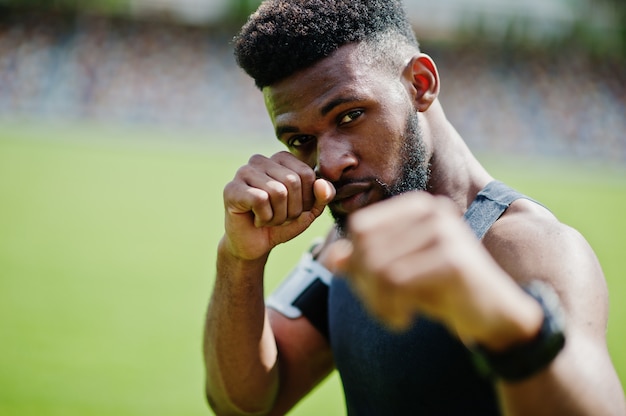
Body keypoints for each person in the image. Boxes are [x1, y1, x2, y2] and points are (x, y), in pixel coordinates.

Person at [203, 1, 626, 414]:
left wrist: (507, 326)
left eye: (350, 115)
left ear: (419, 84)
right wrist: (239, 259)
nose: (328, 163)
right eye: (300, 141)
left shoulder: (530, 247)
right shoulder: (347, 247)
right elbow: (244, 402)